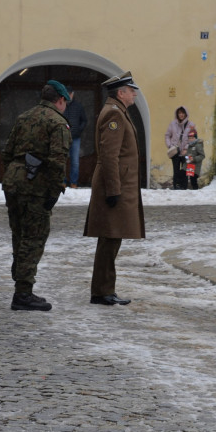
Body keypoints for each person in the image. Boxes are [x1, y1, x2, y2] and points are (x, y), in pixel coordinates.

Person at [1, 80, 71, 311]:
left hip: (14, 183)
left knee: (19, 235)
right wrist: (54, 191)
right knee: (34, 238)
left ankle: (21, 285)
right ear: (60, 100)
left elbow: (8, 152)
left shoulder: (24, 117)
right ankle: (23, 293)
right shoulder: (58, 122)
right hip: (36, 188)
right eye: (65, 103)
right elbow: (58, 160)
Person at [84, 71, 145, 304]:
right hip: (115, 185)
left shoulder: (117, 111)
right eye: (131, 90)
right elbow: (109, 156)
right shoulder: (114, 114)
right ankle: (102, 291)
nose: (135, 94)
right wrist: (113, 190)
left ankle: (104, 289)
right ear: (121, 93)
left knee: (112, 238)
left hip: (118, 183)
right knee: (110, 239)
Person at [63, 87, 87, 188]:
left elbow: (84, 120)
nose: (68, 95)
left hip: (75, 138)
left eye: (70, 93)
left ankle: (73, 182)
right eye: (67, 93)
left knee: (75, 161)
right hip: (63, 137)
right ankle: (62, 182)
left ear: (73, 94)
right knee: (62, 160)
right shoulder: (61, 105)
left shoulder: (78, 106)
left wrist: (79, 130)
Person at [165, 106, 194, 190]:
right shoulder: (172, 124)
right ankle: (176, 186)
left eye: (183, 113)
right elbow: (167, 135)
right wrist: (170, 146)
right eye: (179, 113)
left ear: (186, 114)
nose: (181, 115)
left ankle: (184, 186)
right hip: (175, 151)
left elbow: (193, 139)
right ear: (177, 114)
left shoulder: (191, 125)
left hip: (186, 152)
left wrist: (186, 148)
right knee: (176, 170)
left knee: (185, 169)